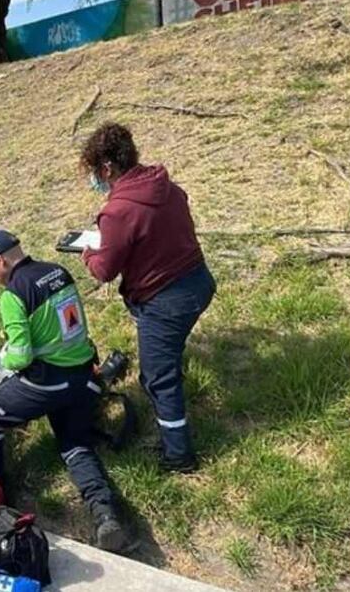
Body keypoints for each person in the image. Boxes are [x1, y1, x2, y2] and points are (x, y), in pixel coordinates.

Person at [0, 229, 130, 552]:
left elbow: (22, 356)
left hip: (48, 382)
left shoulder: (13, 294)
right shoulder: (59, 271)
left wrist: (3, 359)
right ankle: (104, 513)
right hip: (82, 376)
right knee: (74, 444)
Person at [79, 123, 215, 473]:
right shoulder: (165, 185)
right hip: (198, 282)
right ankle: (171, 365)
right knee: (166, 355)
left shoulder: (118, 211)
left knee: (157, 379)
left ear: (107, 168)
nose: (95, 180)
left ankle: (178, 455)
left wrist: (88, 252)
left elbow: (104, 271)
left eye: (94, 172)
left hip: (165, 301)